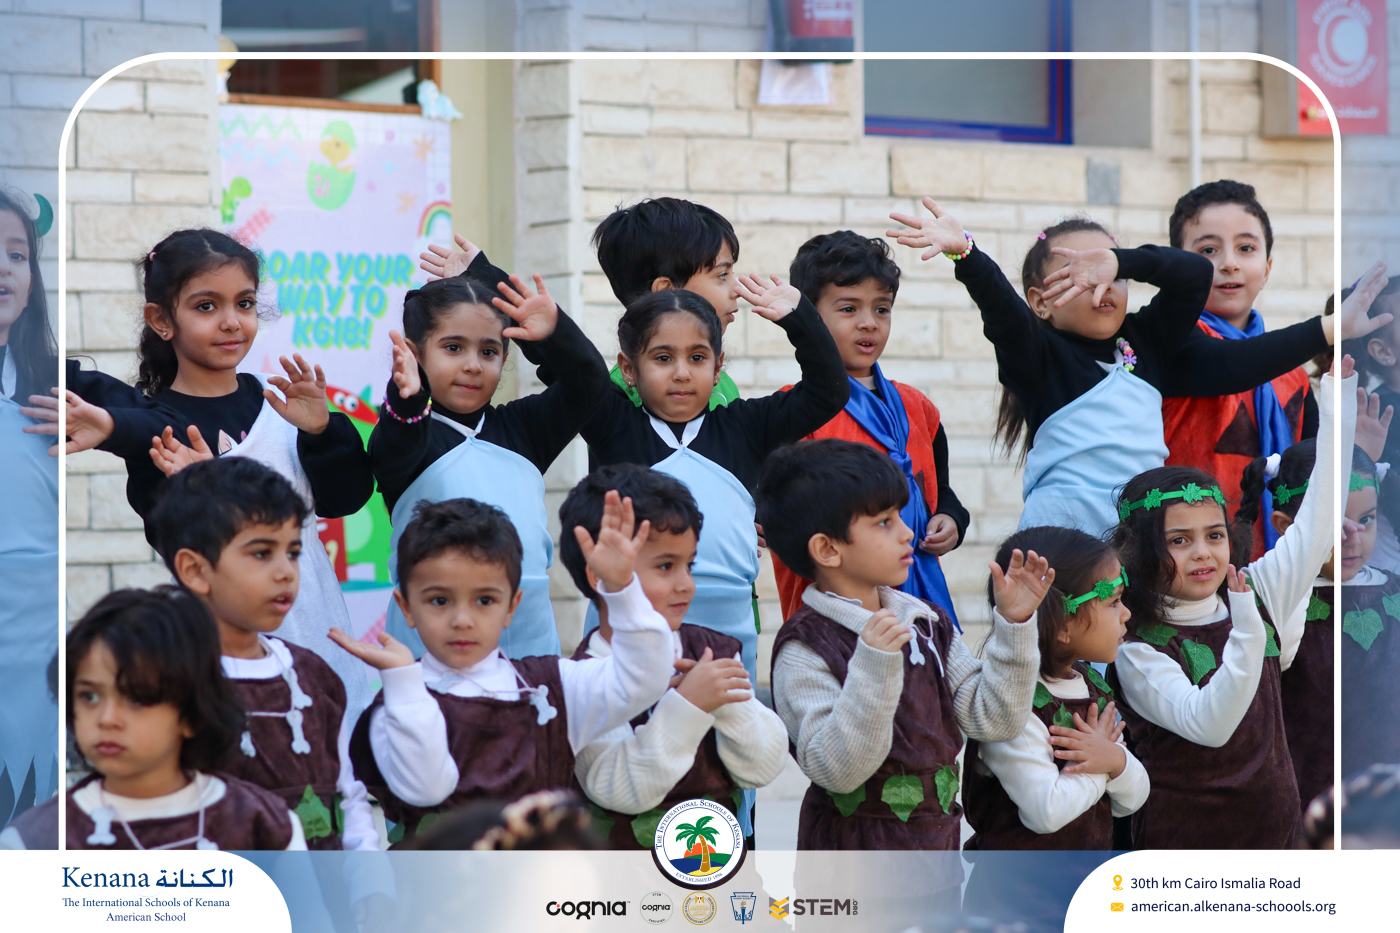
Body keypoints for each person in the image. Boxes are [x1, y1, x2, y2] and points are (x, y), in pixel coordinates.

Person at [887, 197, 1376, 537]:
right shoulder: (1038, 357)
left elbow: (1194, 275)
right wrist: (966, 253)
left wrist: (1123, 261)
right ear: (1040, 302)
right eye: (1075, 277)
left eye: (1108, 274)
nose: (1100, 286)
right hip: (1063, 539)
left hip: (1143, 535)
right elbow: (1000, 308)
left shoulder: (1145, 342)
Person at [48, 229, 376, 720]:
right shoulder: (158, 433)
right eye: (206, 306)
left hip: (322, 648)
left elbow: (345, 499)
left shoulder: (280, 402)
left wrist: (323, 431)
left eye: (244, 303)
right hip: (228, 674)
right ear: (162, 320)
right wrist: (199, 491)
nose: (231, 322)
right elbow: (173, 540)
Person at [1106, 360, 1349, 848]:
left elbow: (1316, 529)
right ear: (1140, 553)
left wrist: (1337, 411)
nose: (1203, 553)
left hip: (1278, 844)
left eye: (1214, 535)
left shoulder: (1254, 590)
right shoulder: (1138, 649)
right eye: (1179, 540)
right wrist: (1248, 629)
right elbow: (1210, 724)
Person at [334, 496, 673, 846]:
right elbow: (427, 788)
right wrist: (403, 682)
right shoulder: (397, 702)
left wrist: (622, 590)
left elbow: (643, 678)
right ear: (406, 607)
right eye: (439, 600)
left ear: (512, 605)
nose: (462, 620)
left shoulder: (553, 687)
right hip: (436, 882)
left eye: (484, 600)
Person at [760, 439, 1043, 855]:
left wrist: (1015, 625)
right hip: (849, 866)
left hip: (937, 856)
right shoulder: (806, 648)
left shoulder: (926, 622)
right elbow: (836, 771)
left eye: (899, 515)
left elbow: (993, 720)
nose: (908, 531)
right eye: (884, 523)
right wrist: (874, 665)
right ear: (827, 549)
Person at [369, 271, 608, 660]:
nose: (473, 366)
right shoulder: (408, 432)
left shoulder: (524, 430)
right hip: (435, 648)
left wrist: (552, 331)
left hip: (531, 645)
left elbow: (590, 383)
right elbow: (397, 440)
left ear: (504, 357)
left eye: (488, 351)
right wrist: (407, 398)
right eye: (453, 348)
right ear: (413, 354)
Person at [560, 464, 787, 849]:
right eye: (665, 566)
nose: (686, 584)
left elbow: (764, 766)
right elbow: (620, 788)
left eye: (689, 565)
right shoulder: (587, 677)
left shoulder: (710, 652)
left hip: (716, 871)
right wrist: (689, 705)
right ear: (601, 574)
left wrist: (727, 706)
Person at [2, 587, 305, 850]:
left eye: (137, 698)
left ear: (193, 712)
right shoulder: (33, 842)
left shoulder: (266, 828)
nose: (107, 719)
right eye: (89, 696)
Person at [769, 230, 968, 623]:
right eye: (849, 308)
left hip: (919, 599)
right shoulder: (792, 410)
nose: (869, 323)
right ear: (809, 316)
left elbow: (939, 490)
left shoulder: (918, 407)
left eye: (881, 309)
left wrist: (952, 519)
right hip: (838, 614)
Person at [420, 196, 745, 410]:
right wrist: (486, 278)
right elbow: (568, 360)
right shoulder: (619, 393)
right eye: (722, 275)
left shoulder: (723, 384)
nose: (737, 289)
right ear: (665, 291)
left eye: (699, 359)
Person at [1162, 180, 1336, 555]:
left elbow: (1314, 466)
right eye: (1208, 250)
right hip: (1186, 562)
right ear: (1177, 268)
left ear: (1267, 268)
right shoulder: (1166, 343)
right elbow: (1231, 365)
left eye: (1246, 248)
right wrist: (1330, 328)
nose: (1229, 263)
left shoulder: (1292, 375)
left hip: (1279, 564)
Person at [963, 526, 1148, 851]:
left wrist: (1116, 760)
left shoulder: (1091, 685)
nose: (1126, 613)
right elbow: (1046, 812)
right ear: (1063, 625)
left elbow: (1131, 800)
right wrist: (1097, 768)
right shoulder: (1011, 706)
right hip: (1019, 882)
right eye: (1114, 602)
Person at [0, 187, 59, 831]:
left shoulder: (56, 389)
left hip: (34, 652)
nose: (3, 269)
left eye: (17, 255)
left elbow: (149, 414)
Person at [1338, 444, 1400, 777]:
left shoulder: (1394, 591)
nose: (1353, 538)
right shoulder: (1283, 599)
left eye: (1366, 519)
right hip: (1315, 785)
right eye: (1337, 523)